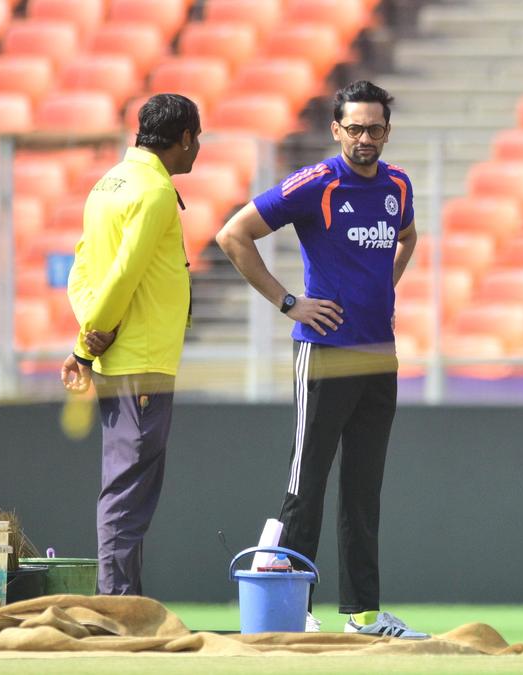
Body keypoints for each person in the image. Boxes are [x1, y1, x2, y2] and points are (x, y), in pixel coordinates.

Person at [215, 80, 425, 638]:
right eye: (354, 128)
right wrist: (290, 303)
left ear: (387, 131)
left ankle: (363, 614)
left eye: (374, 129)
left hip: (379, 354)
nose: (364, 138)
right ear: (336, 130)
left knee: (363, 489)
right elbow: (234, 235)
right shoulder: (316, 183)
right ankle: (294, 611)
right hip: (325, 353)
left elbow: (408, 238)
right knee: (306, 480)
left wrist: (383, 286)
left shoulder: (398, 185)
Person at [62, 93, 201, 595]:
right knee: (128, 492)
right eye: (197, 138)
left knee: (128, 487)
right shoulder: (155, 191)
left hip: (121, 359)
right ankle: (117, 606)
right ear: (184, 137)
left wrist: (90, 331)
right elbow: (124, 274)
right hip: (142, 363)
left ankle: (125, 601)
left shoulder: (107, 184)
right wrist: (86, 346)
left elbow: (81, 269)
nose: (198, 148)